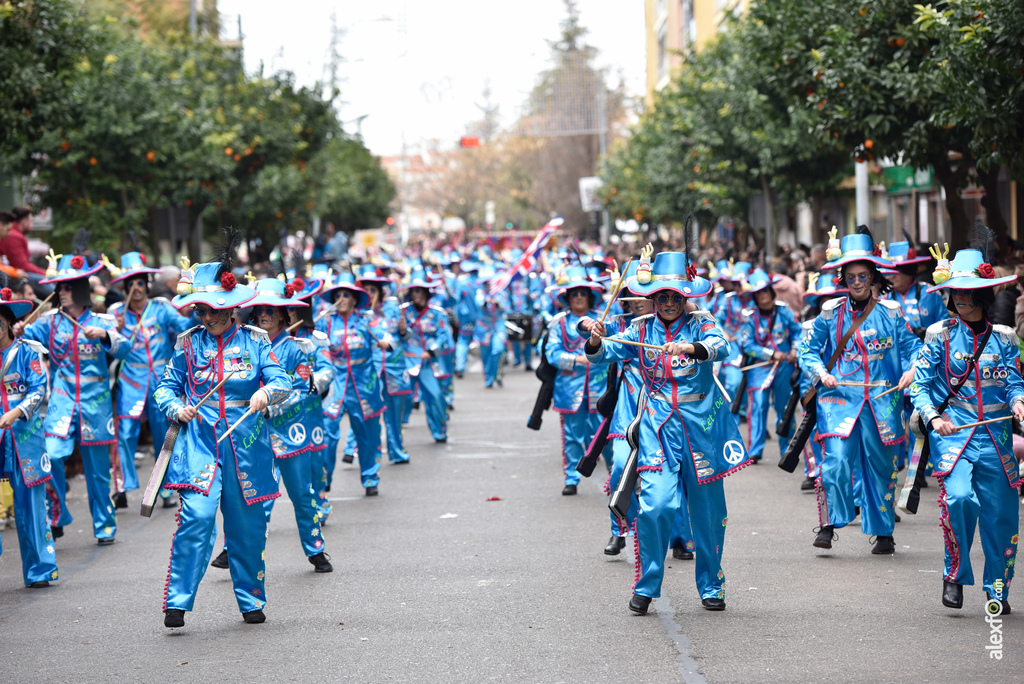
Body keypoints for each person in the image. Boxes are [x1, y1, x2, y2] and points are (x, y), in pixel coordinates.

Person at [585, 251, 749, 614]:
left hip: (701, 430)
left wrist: (692, 348)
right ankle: (647, 584)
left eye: (677, 296)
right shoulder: (641, 329)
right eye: (663, 296)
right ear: (652, 299)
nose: (670, 303)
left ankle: (711, 585)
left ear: (687, 296)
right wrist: (596, 339)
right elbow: (605, 352)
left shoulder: (702, 321)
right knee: (656, 505)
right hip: (658, 429)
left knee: (707, 514)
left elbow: (722, 346)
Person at [154, 242, 292, 629]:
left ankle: (251, 600)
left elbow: (281, 380)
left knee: (246, 526)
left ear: (231, 306)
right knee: (196, 517)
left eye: (212, 308)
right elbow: (166, 387)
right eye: (200, 308)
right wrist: (175, 407)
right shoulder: (187, 343)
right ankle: (178, 602)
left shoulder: (256, 340)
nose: (206, 315)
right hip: (198, 441)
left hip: (246, 441)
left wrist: (266, 393)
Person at [910, 240, 1024, 614]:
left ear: (985, 294)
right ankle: (954, 574)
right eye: (955, 291)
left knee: (1001, 517)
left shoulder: (1006, 338)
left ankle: (996, 591)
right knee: (959, 498)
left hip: (996, 438)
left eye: (968, 292)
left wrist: (1018, 402)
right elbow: (920, 387)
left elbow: (1012, 383)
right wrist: (934, 418)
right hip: (954, 435)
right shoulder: (939, 335)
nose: (960, 298)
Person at [799, 228, 921, 555]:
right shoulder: (829, 314)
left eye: (862, 275)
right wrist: (821, 372)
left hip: (882, 402)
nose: (856, 282)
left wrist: (911, 368)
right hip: (839, 401)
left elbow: (914, 347)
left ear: (872, 277)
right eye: (850, 276)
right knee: (835, 462)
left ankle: (883, 532)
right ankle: (829, 523)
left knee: (881, 470)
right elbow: (808, 351)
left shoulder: (891, 314)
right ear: (843, 279)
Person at [14, 250, 129, 545]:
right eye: (59, 288)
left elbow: (125, 348)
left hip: (96, 406)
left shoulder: (102, 320)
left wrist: (104, 336)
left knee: (98, 473)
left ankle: (104, 526)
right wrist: (18, 330)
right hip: (62, 402)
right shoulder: (49, 322)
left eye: (66, 288)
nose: (60, 293)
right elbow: (23, 339)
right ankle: (58, 513)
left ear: (78, 289)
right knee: (51, 455)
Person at [219, 276, 332, 573]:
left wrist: (272, 403)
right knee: (253, 497)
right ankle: (234, 550)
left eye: (271, 309)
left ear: (284, 314)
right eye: (260, 310)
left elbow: (304, 388)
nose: (264, 315)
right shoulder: (247, 346)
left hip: (290, 432)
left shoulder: (297, 349)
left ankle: (315, 549)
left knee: (302, 495)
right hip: (253, 433)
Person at [103, 252, 191, 509]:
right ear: (125, 287)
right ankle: (121, 488)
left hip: (161, 381)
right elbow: (108, 348)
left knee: (164, 435)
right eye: (132, 284)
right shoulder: (115, 314)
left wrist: (193, 305)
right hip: (131, 380)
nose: (137, 288)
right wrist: (113, 332)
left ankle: (165, 489)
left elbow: (185, 327)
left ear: (147, 285)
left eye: (141, 282)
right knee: (125, 433)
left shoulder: (161, 308)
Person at [0, 286, 58, 587]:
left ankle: (41, 569)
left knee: (30, 504)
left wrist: (17, 412)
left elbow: (39, 390)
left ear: (8, 323)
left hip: (24, 436)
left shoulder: (27, 352)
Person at [544, 265, 609, 496]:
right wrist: (577, 360)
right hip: (569, 391)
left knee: (604, 435)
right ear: (568, 298)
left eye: (583, 293)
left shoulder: (603, 320)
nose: (579, 297)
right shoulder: (559, 323)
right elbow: (551, 353)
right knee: (572, 437)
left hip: (599, 391)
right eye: (575, 293)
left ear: (590, 296)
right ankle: (571, 478)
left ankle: (615, 479)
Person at [319, 272, 386, 495]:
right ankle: (324, 478)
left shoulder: (367, 320)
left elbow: (385, 334)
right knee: (327, 432)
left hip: (364, 384)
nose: (342, 298)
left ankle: (370, 478)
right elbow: (318, 347)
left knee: (367, 433)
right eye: (338, 294)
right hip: (336, 384)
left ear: (354, 298)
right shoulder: (326, 321)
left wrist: (386, 341)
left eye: (346, 294)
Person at [739, 269, 803, 463]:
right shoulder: (749, 317)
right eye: (758, 293)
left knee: (786, 407)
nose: (763, 295)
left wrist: (794, 350)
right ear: (754, 296)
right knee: (758, 405)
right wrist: (770, 353)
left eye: (766, 291)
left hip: (784, 368)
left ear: (772, 292)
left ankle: (787, 448)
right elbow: (747, 345)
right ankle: (755, 449)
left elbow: (797, 332)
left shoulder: (784, 311)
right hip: (760, 368)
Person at [356, 264, 411, 464]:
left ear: (380, 291)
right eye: (366, 290)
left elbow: (402, 335)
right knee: (365, 410)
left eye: (373, 290)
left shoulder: (391, 308)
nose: (370, 294)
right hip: (368, 369)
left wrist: (403, 331)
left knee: (394, 414)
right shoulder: (357, 313)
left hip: (393, 367)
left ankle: (397, 451)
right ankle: (355, 449)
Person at [399, 269, 454, 444]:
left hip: (428, 362)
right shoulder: (404, 312)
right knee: (400, 399)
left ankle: (440, 432)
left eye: (418, 290)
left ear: (425, 292)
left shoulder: (437, 313)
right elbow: (400, 336)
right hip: (408, 360)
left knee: (436, 397)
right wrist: (402, 330)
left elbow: (443, 336)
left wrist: (431, 351)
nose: (415, 294)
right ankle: (396, 438)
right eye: (412, 290)